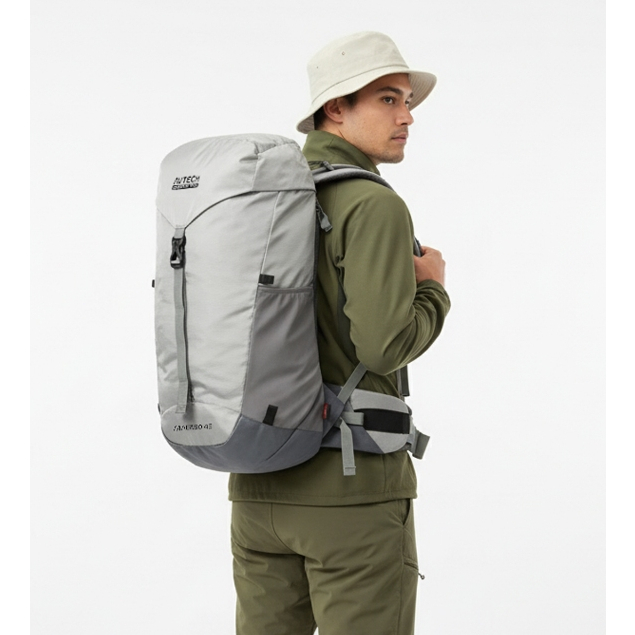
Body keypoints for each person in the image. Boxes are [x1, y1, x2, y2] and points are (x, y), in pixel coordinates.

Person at [228, 31, 451, 635]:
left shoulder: (261, 198)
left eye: (407, 101)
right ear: (336, 108)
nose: (407, 116)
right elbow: (383, 346)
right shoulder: (370, 204)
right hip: (350, 496)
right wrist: (433, 289)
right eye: (388, 99)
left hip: (257, 488)